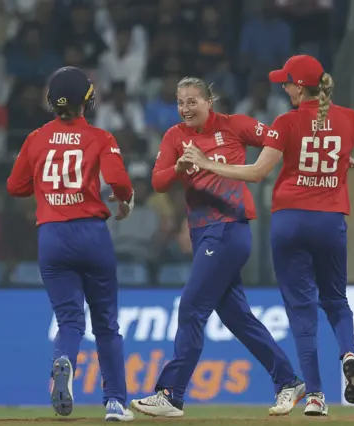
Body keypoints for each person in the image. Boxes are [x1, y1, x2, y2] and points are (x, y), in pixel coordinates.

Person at [180, 54, 354, 416]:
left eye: (287, 82)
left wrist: (208, 163)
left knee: (302, 312)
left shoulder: (286, 122)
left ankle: (317, 396)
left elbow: (258, 172)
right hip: (330, 221)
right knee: (336, 301)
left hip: (290, 222)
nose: (284, 87)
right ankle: (349, 352)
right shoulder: (349, 119)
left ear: (300, 87)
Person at [130, 77, 303, 418]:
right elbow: (157, 182)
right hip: (202, 234)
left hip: (229, 229)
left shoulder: (235, 126)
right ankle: (288, 381)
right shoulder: (174, 136)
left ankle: (170, 393)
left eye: (192, 101)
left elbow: (281, 139)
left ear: (210, 101)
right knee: (238, 318)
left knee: (192, 307)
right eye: (181, 102)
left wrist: (326, 156)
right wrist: (178, 167)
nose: (185, 108)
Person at [6, 66, 136, 422]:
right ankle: (114, 403)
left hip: (51, 236)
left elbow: (14, 187)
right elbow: (120, 181)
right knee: (106, 324)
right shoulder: (100, 137)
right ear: (87, 100)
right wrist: (124, 199)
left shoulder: (35, 139)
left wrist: (50, 190)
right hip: (91, 235)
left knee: (69, 322)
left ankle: (63, 362)